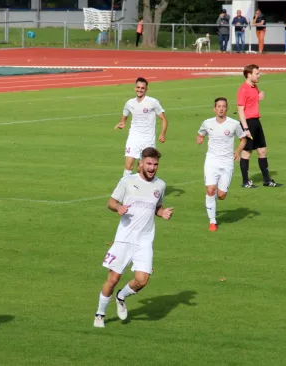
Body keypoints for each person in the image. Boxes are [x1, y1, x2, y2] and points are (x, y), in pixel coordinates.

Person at [93, 147, 173, 327]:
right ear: (141, 163)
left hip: (144, 241)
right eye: (149, 164)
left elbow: (156, 207)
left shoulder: (160, 185)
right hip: (124, 239)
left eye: (156, 164)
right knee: (112, 279)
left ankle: (121, 296)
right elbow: (111, 202)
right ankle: (100, 314)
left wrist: (163, 213)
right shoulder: (127, 182)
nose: (152, 168)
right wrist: (118, 208)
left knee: (142, 280)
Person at [196, 98, 247, 231]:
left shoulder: (234, 124)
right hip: (212, 160)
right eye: (218, 106)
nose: (221, 109)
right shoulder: (207, 123)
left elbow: (243, 139)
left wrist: (237, 151)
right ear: (214, 108)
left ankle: (217, 196)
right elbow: (200, 133)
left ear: (226, 108)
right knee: (210, 189)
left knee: (221, 195)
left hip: (227, 162)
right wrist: (200, 138)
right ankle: (212, 221)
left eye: (223, 106)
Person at [236, 64, 282, 188]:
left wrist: (260, 93)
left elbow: (254, 97)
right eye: (257, 73)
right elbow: (240, 110)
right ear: (249, 74)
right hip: (248, 123)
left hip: (256, 121)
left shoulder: (254, 86)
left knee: (262, 150)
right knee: (247, 152)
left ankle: (267, 180)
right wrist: (245, 129)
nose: (259, 75)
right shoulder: (243, 89)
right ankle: (245, 181)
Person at [115, 77, 168, 179]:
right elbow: (124, 118)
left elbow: (164, 119)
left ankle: (141, 189)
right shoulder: (129, 103)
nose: (140, 90)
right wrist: (122, 123)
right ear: (135, 88)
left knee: (142, 169)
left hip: (148, 140)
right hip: (134, 138)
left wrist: (162, 134)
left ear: (146, 89)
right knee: (128, 166)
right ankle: (124, 189)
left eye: (142, 88)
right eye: (138, 87)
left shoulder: (153, 102)